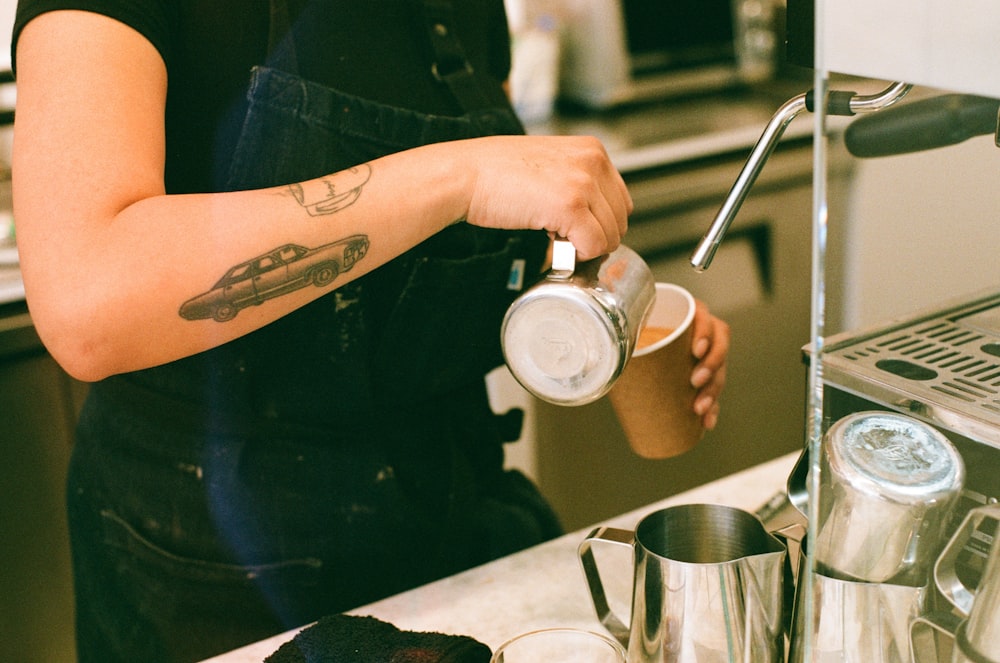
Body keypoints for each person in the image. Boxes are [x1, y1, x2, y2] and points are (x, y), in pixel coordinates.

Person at [10, 2, 730, 661]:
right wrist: (461, 175)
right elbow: (87, 299)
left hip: (453, 545)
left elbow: (455, 249)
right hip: (227, 589)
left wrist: (602, 315)